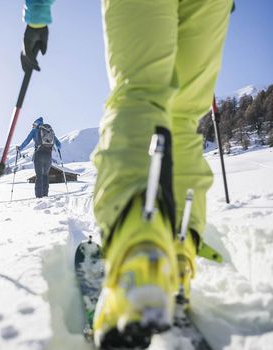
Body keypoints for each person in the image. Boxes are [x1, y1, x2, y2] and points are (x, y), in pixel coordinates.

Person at [21, 0, 232, 348]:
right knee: (181, 119)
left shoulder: (38, 128)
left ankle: (140, 257)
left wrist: (38, 14)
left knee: (141, 92)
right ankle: (176, 261)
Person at [17, 117, 61, 198]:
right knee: (45, 175)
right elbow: (59, 144)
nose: (33, 126)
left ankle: (39, 197)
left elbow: (27, 141)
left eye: (33, 124)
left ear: (36, 123)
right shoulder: (49, 131)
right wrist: (57, 148)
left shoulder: (34, 130)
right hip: (48, 156)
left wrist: (19, 148)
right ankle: (45, 196)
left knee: (39, 176)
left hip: (39, 154)